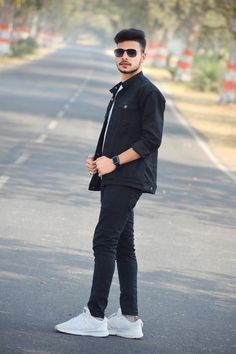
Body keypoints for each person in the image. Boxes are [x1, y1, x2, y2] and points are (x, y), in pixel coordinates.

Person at [55, 28, 165, 339]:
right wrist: (99, 158)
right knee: (123, 246)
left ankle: (94, 315)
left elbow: (151, 140)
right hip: (114, 175)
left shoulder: (148, 92)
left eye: (132, 52)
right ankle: (129, 319)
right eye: (120, 52)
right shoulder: (121, 90)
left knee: (104, 242)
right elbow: (118, 133)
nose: (125, 57)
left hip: (127, 178)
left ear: (143, 56)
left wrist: (114, 161)